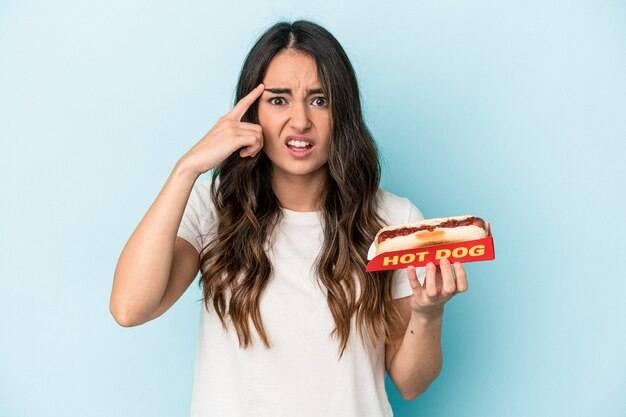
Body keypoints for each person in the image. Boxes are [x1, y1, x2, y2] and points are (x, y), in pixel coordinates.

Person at [110, 19, 469, 417]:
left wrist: (429, 311)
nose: (300, 121)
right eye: (279, 100)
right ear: (251, 111)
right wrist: (186, 170)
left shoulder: (392, 219)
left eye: (319, 100)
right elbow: (129, 308)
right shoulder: (213, 208)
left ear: (342, 112)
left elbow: (410, 383)